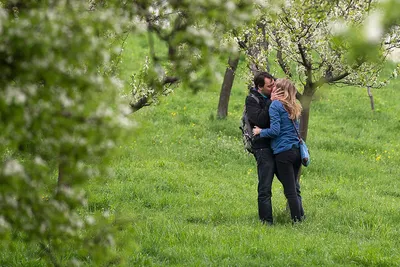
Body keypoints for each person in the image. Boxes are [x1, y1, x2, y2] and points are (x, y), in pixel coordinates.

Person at [252, 78, 304, 223]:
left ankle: (297, 221)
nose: (272, 88)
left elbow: (275, 131)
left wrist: (260, 131)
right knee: (294, 187)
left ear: (279, 90)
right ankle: (300, 216)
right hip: (296, 152)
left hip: (283, 153)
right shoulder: (294, 105)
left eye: (275, 86)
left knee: (290, 191)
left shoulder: (276, 105)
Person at [245, 72, 278, 225]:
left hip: (278, 144)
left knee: (292, 185)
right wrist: (271, 102)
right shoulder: (251, 100)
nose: (273, 88)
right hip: (262, 147)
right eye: (269, 86)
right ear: (259, 87)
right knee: (265, 187)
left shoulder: (275, 96)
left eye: (273, 84)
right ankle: (266, 222)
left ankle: (297, 217)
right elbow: (261, 120)